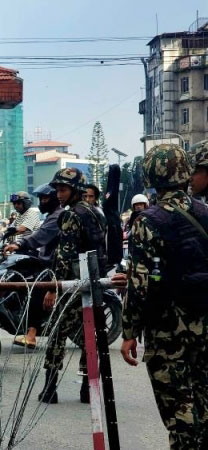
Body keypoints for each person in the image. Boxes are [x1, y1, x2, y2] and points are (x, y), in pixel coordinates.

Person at [120, 144, 208, 449]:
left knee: (179, 411)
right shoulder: (205, 213)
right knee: (203, 405)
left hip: (167, 328)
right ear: (185, 174)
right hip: (204, 323)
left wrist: (129, 332)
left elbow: (139, 282)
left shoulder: (148, 221)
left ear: (151, 177)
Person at [38, 167, 107, 405]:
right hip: (94, 284)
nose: (59, 194)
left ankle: (49, 388)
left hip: (73, 286)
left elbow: (65, 256)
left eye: (63, 189)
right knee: (90, 337)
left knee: (57, 335)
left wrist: (52, 288)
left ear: (75, 190)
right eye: (57, 189)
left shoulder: (70, 215)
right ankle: (88, 391)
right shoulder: (96, 212)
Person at [3, 183, 63, 348]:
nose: (42, 202)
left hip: (54, 262)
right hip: (44, 257)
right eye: (41, 198)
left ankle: (31, 334)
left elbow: (40, 236)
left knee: (36, 287)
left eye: (45, 198)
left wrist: (19, 244)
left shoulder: (58, 216)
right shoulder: (51, 215)